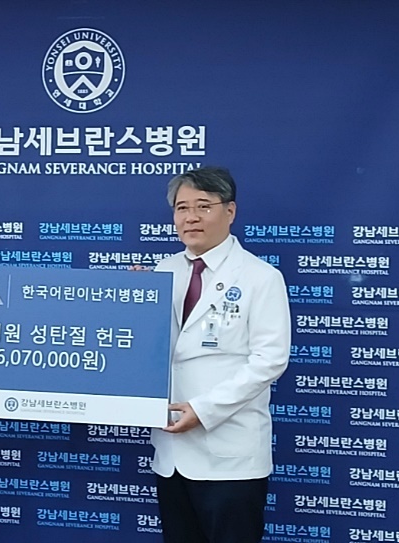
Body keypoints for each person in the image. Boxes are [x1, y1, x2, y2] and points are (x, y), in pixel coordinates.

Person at [151, 166, 291, 543]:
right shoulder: (162, 272)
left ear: (230, 211)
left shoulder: (260, 277)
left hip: (230, 455)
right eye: (182, 208)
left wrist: (204, 410)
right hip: (171, 455)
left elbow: (270, 360)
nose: (191, 217)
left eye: (203, 206)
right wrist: (132, 301)